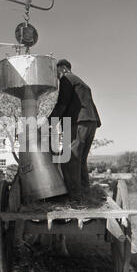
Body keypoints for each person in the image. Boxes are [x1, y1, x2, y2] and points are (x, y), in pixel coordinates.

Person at [48, 59, 101, 203]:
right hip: (91, 122)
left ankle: (75, 198)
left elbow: (62, 103)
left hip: (77, 122)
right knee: (81, 160)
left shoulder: (67, 79)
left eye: (57, 72)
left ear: (64, 69)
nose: (57, 76)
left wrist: (49, 122)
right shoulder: (82, 83)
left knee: (69, 159)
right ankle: (85, 194)